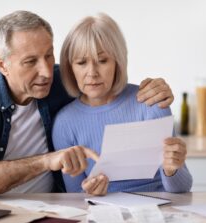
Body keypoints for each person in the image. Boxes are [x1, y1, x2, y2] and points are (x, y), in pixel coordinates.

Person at [0, 10, 175, 198]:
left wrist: (156, 87)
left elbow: (104, 79)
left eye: (48, 56)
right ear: (2, 64)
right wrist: (46, 161)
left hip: (54, 208)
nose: (46, 72)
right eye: (30, 62)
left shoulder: (63, 81)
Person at [52, 13, 192, 196]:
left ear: (117, 62)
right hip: (101, 214)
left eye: (102, 61)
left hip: (158, 209)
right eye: (81, 62)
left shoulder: (150, 103)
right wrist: (89, 193)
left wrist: (172, 169)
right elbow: (75, 195)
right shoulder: (64, 123)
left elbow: (182, 188)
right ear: (70, 67)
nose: (92, 72)